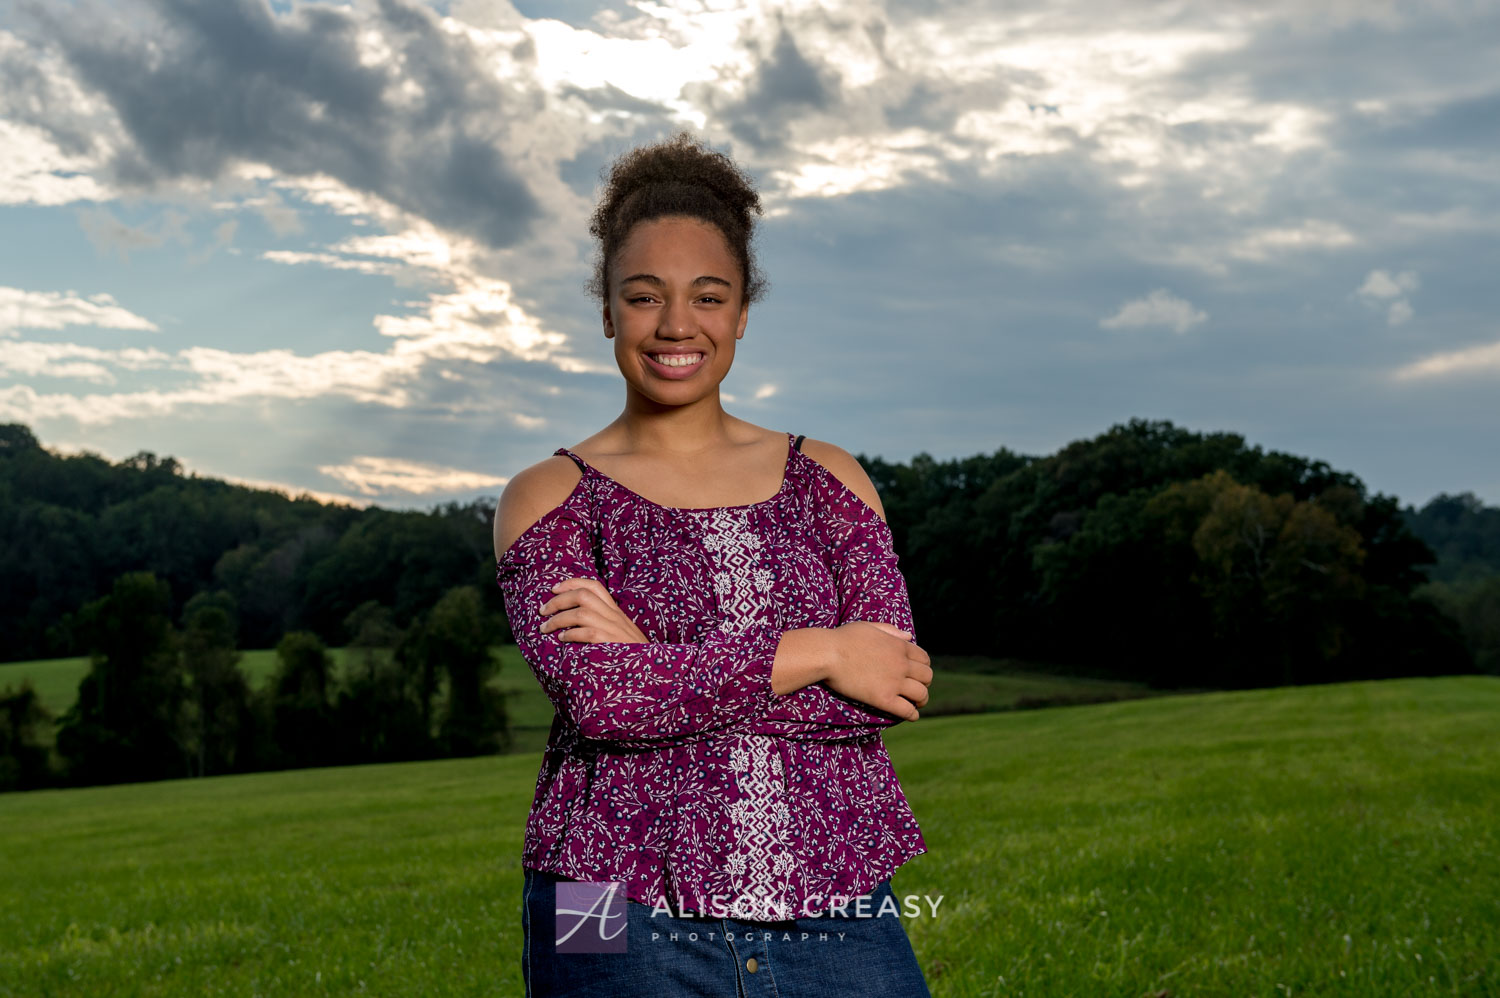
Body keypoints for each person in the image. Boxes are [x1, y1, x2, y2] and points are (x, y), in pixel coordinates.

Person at [493, 131, 935, 997]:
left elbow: (891, 686)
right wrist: (824, 653)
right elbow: (604, 702)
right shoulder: (547, 495)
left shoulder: (831, 480)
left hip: (835, 895)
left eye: (708, 295)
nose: (676, 325)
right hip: (599, 897)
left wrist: (657, 659)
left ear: (740, 314)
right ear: (608, 310)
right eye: (644, 296)